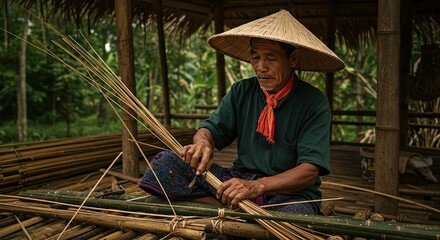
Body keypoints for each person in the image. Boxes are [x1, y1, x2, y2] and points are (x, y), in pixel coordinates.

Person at [139, 10, 344, 214]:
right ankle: (236, 209)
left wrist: (258, 187)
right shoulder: (241, 91)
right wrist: (202, 144)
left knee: (295, 215)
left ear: (293, 58)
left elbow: (309, 172)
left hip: (287, 192)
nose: (261, 67)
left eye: (270, 58)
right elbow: (208, 130)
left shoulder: (313, 102)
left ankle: (232, 210)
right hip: (239, 181)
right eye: (255, 57)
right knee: (164, 165)